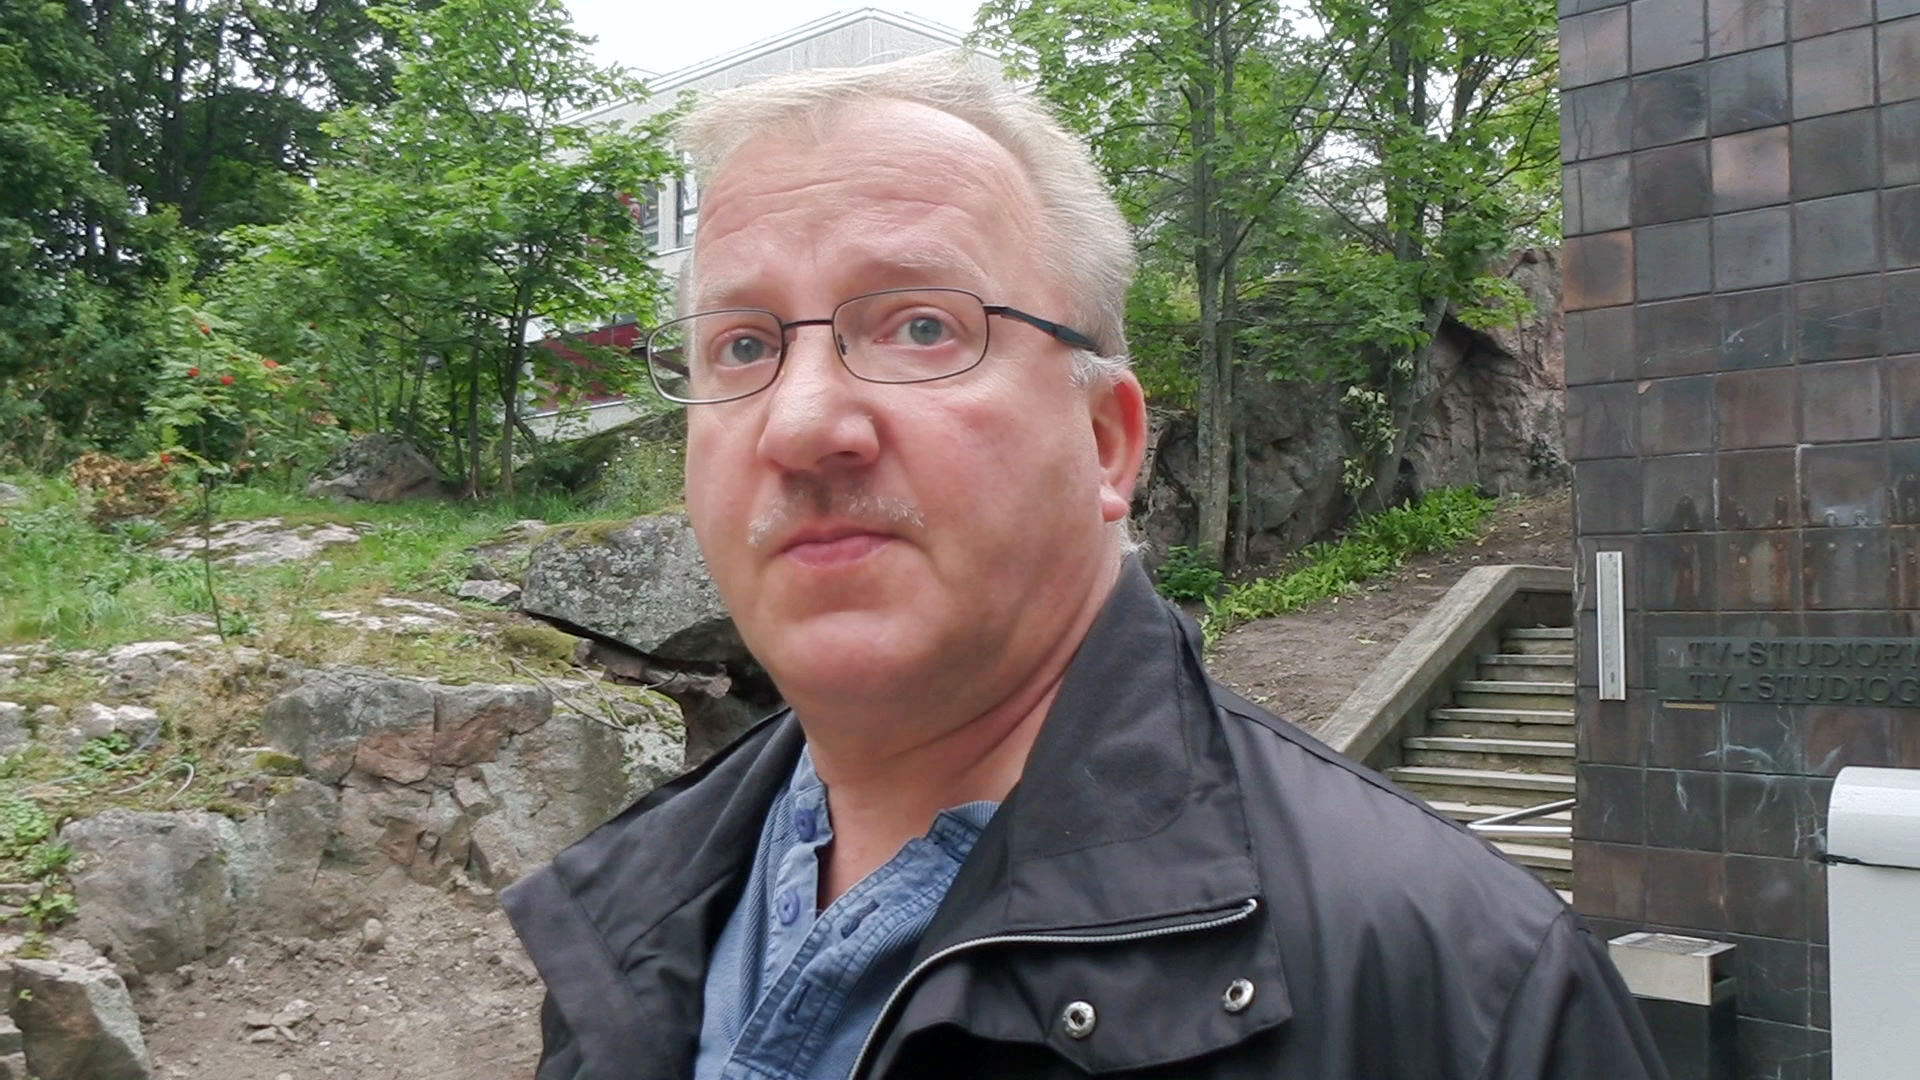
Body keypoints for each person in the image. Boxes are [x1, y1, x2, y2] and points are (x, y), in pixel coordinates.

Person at [502, 51, 1669, 1080]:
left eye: (921, 326)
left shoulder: (1459, 989)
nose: (802, 425)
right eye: (744, 344)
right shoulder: (624, 919)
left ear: (1106, 441)